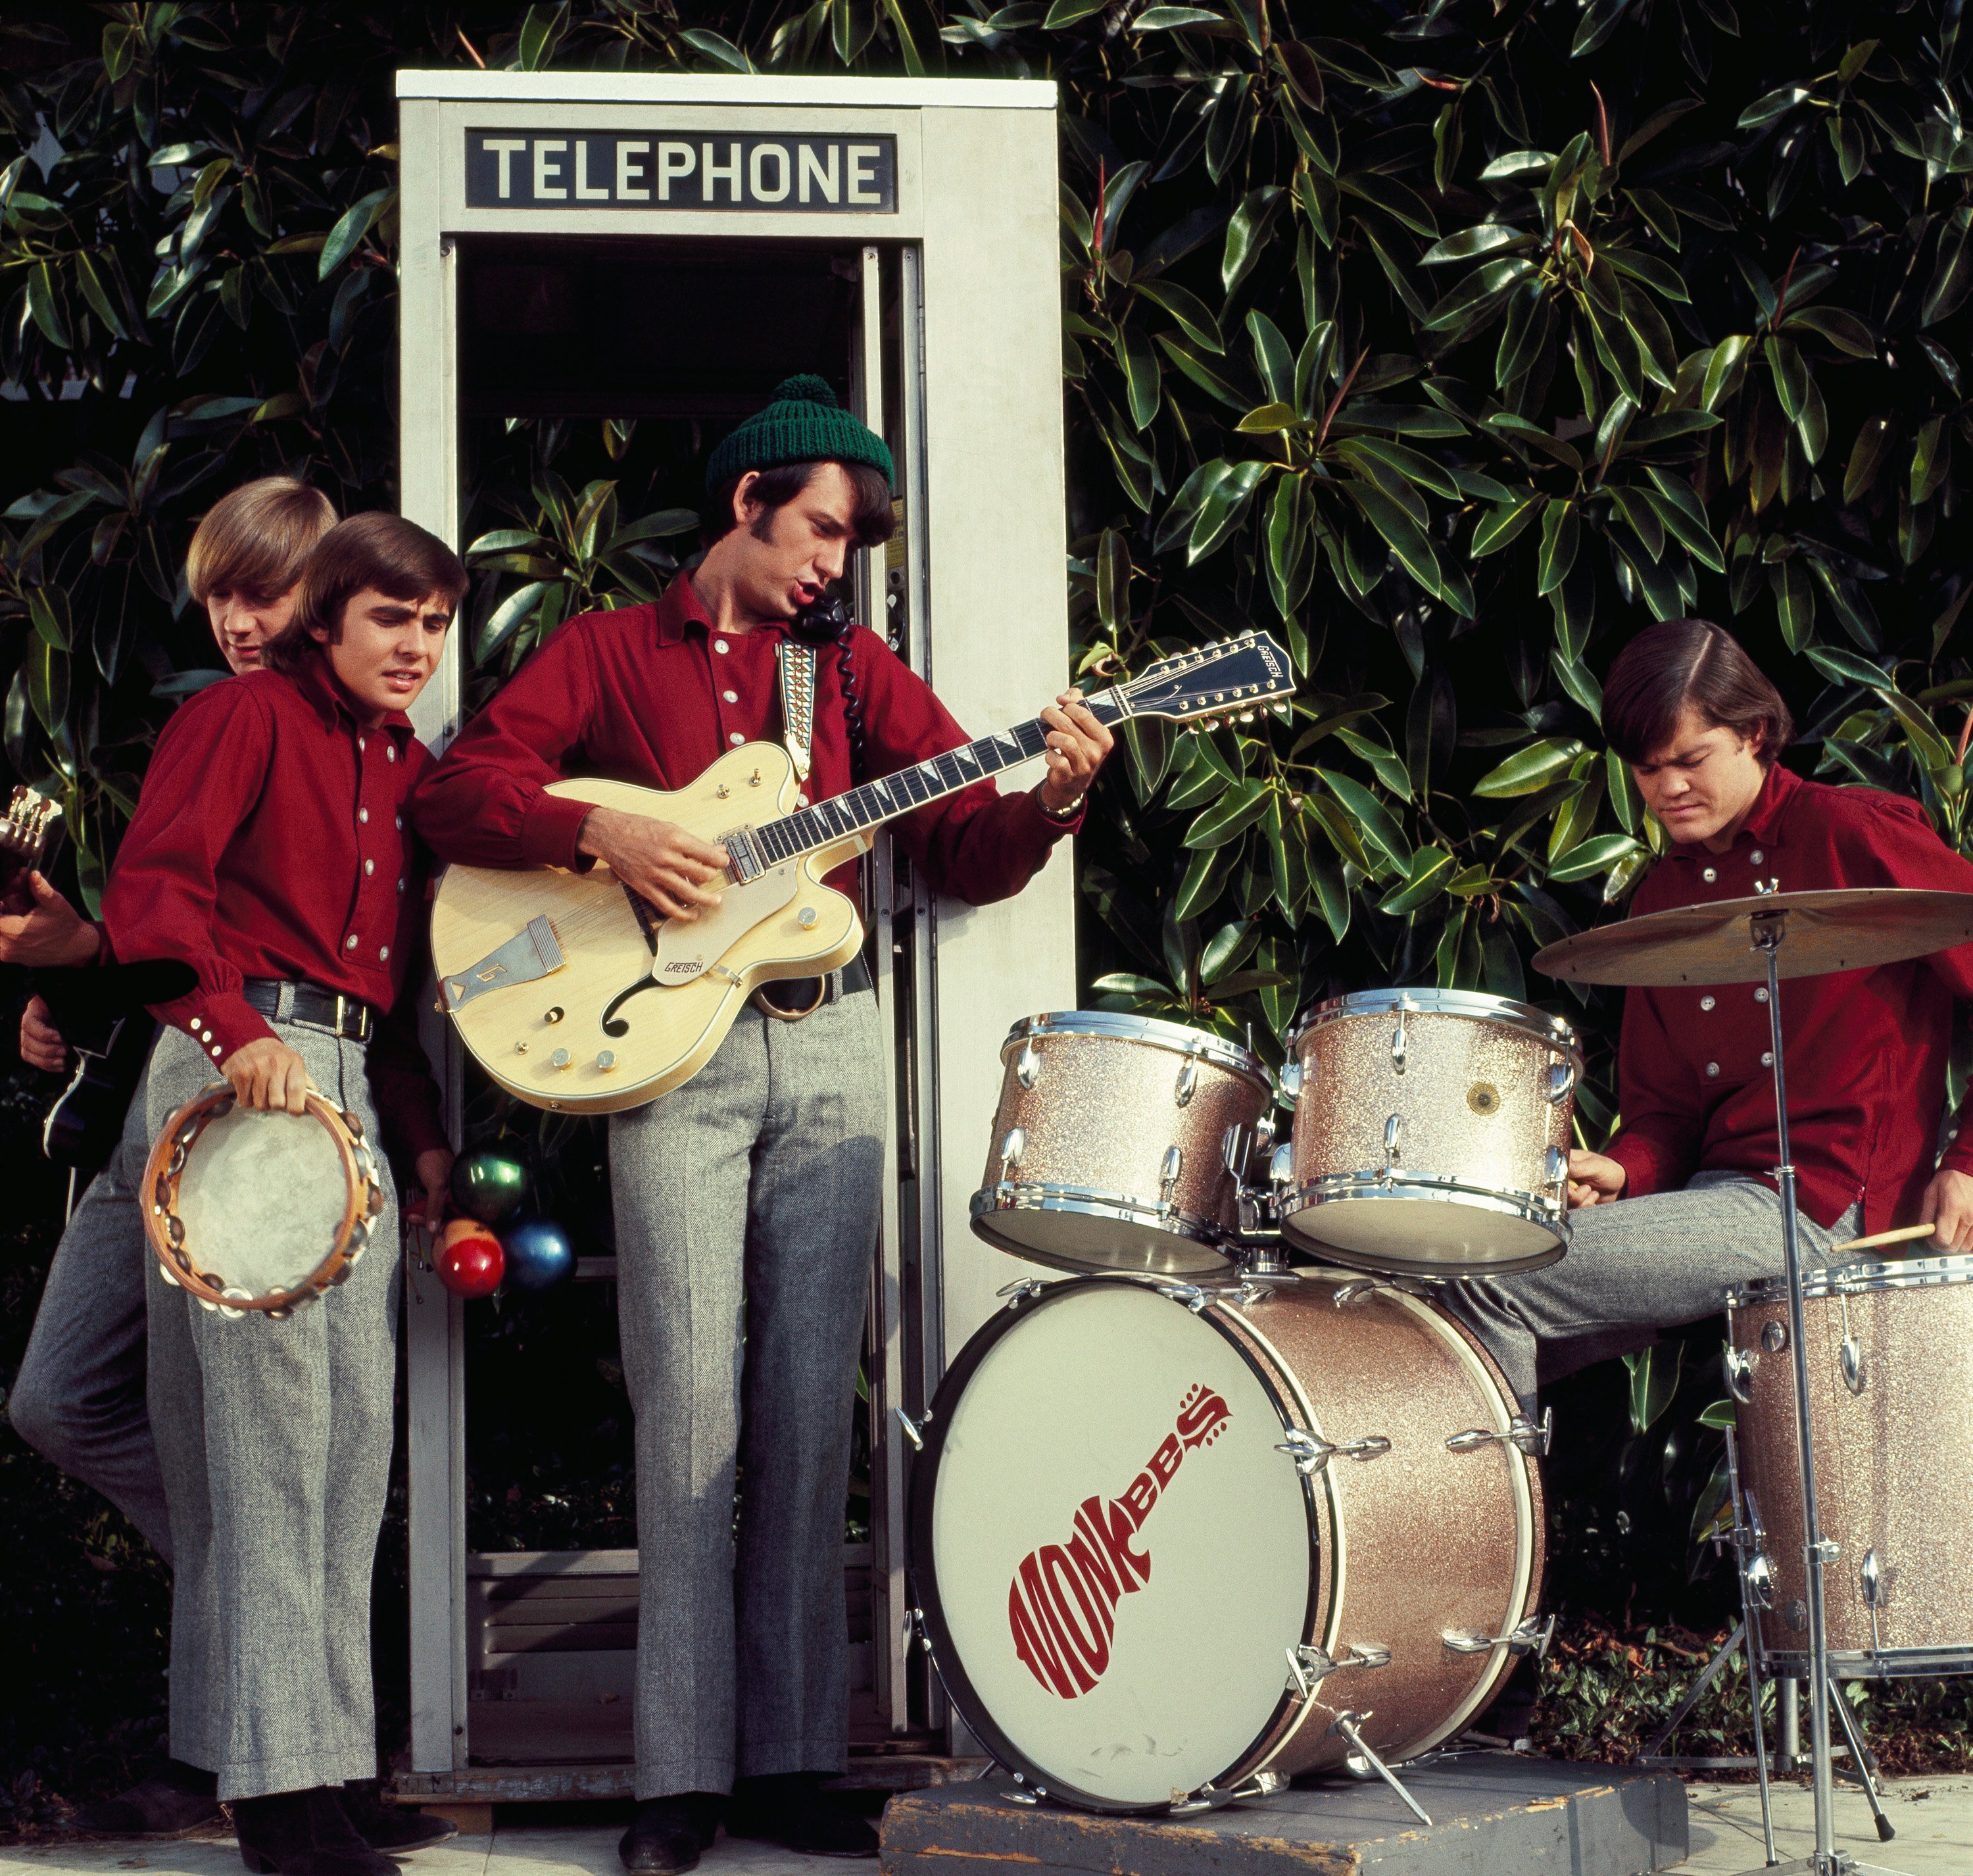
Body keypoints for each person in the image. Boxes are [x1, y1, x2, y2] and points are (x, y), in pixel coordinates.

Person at [412, 376, 1113, 1873]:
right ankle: (679, 1775)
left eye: (848, 543)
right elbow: (458, 795)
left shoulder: (849, 670)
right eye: (816, 530)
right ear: (744, 501)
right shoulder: (604, 652)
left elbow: (963, 846)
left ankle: (793, 1758)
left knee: (807, 1411)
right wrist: (602, 826)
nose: (830, 564)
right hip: (668, 1059)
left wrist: (1051, 801)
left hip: (832, 1048)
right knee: (687, 1412)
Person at [95, 512, 464, 1876]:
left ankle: (323, 1761)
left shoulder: (410, 767)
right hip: (242, 1066)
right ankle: (279, 1801)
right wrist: (229, 1024)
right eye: (390, 621)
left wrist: (418, 1137)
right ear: (325, 620)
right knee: (262, 1450)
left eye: (433, 626)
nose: (416, 648)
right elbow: (152, 897)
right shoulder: (247, 715)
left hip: (349, 1083)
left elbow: (393, 996)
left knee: (344, 1448)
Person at [3, 478, 337, 1839]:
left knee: (253, 1443)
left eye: (263, 591)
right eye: (217, 597)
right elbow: (161, 925)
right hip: (165, 1078)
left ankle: (274, 1721)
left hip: (257, 1083)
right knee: (56, 1398)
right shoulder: (221, 718)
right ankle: (256, 1606)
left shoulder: (318, 728)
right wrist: (72, 980)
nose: (240, 619)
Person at [1443, 616, 1973, 1411]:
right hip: (1714, 1203)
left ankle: (1485, 1537)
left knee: (1497, 1276)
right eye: (1648, 769)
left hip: (1825, 1202)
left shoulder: (1855, 836)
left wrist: (1967, 1160)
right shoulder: (1663, 900)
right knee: (1431, 1319)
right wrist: (1622, 1168)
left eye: (1691, 759)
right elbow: (1666, 1114)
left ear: (1756, 734)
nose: (1668, 788)